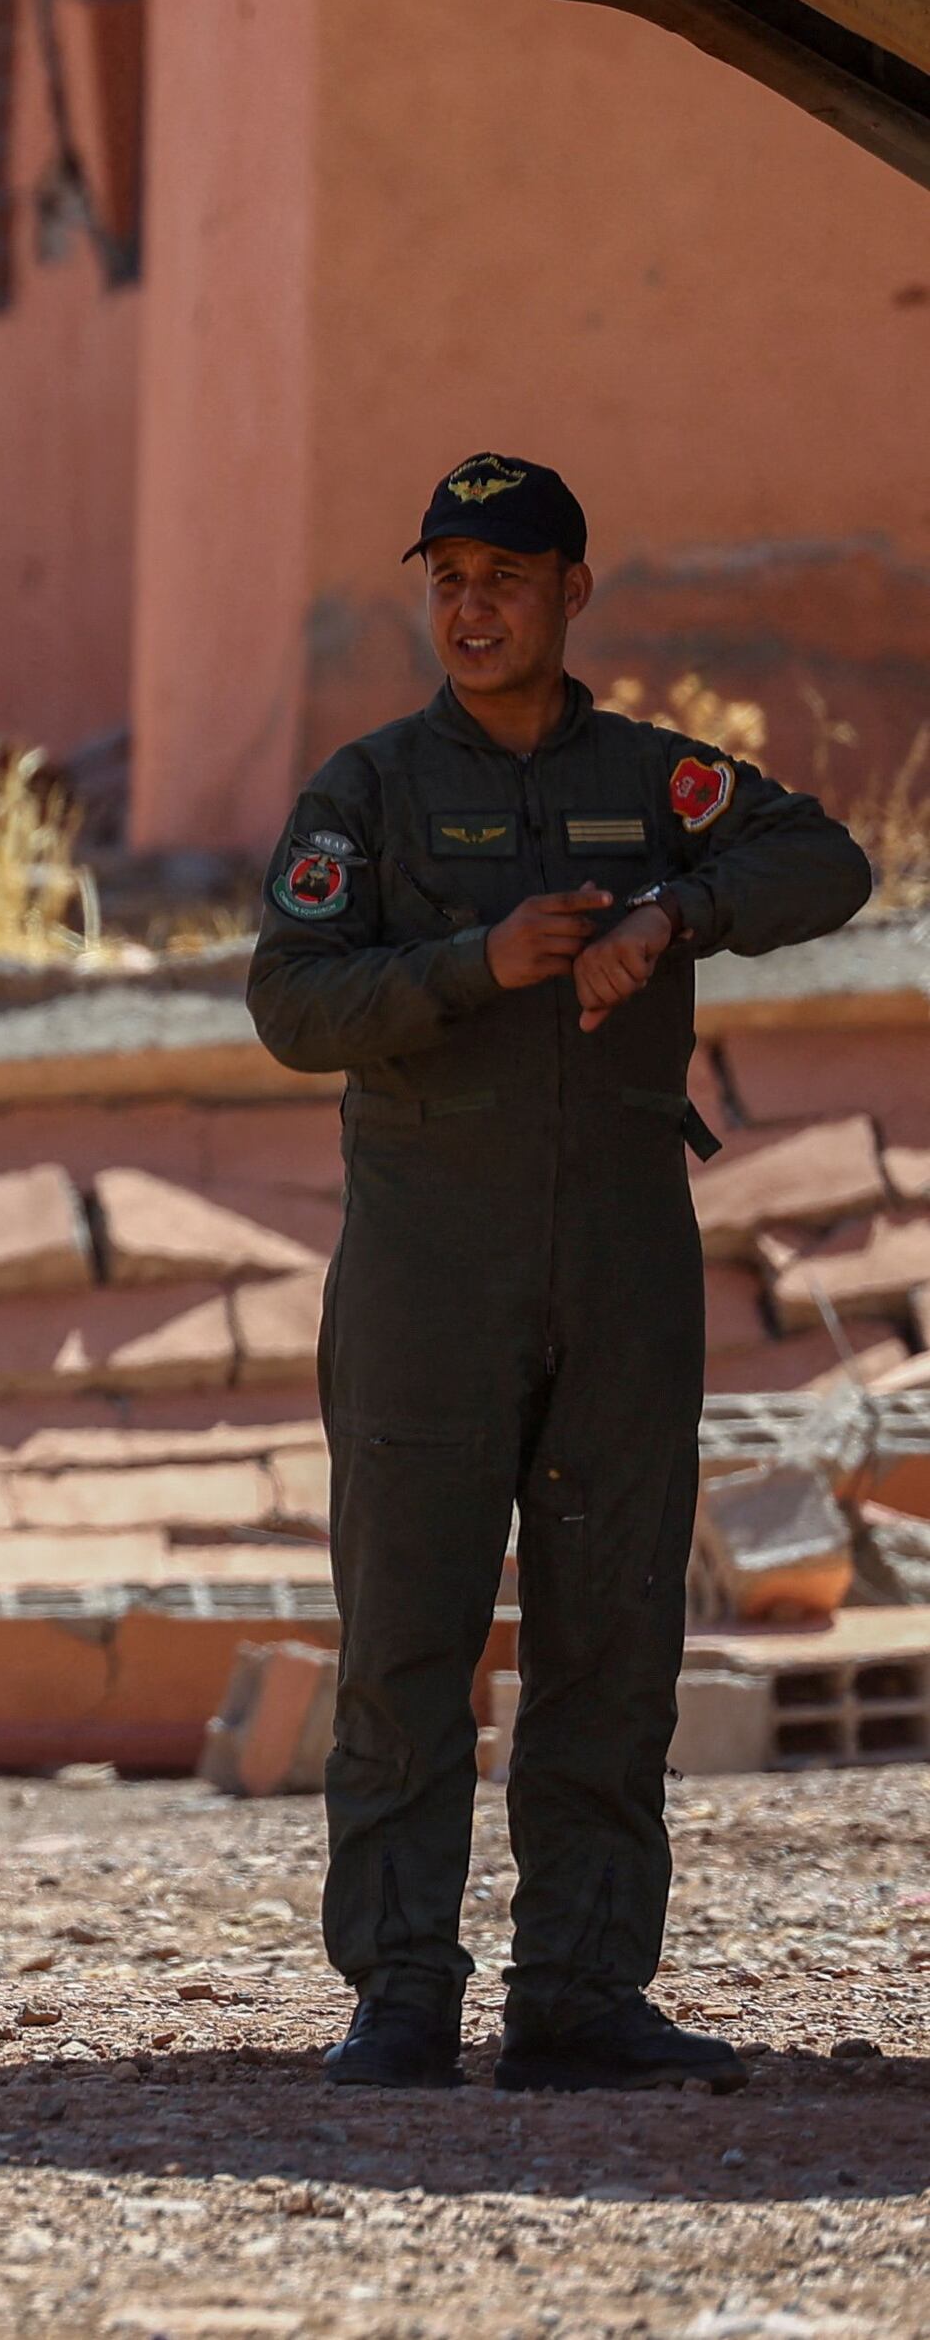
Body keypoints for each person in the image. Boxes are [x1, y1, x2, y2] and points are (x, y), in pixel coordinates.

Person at [249, 451, 870, 2098]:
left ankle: (582, 1994)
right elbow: (291, 1000)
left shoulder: (656, 779)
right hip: (426, 1277)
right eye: (446, 575)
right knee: (405, 1636)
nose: (471, 603)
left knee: (609, 1640)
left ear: (571, 592)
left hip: (619, 1271)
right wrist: (473, 958)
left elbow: (830, 863)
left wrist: (668, 914)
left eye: (505, 575)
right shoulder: (367, 790)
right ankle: (400, 1993)